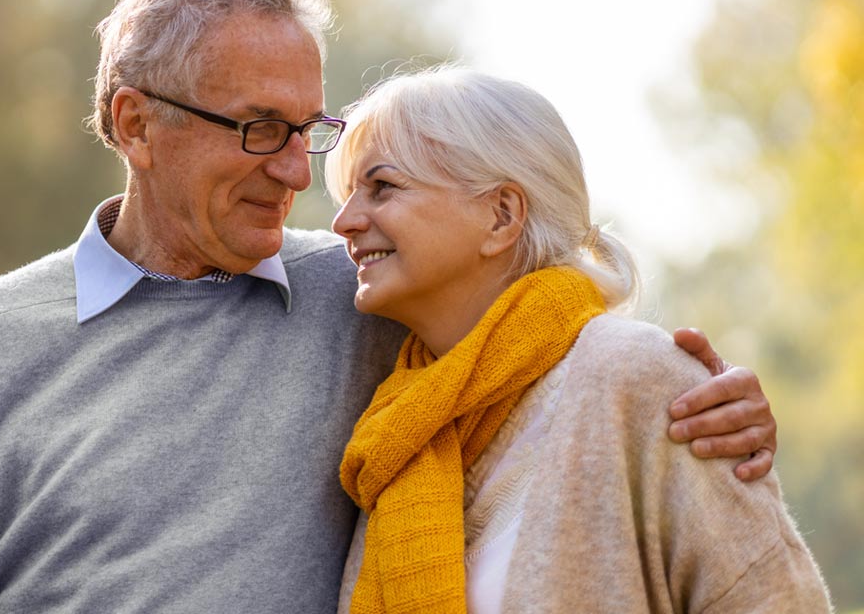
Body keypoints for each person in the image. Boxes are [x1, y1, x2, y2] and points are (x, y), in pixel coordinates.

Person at [0, 0, 780, 611]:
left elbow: (534, 328)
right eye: (260, 128)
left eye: (311, 128)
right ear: (136, 124)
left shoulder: (368, 296)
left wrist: (707, 410)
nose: (301, 173)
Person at [327, 68, 829, 613]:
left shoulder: (638, 376)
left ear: (501, 215)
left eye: (382, 187)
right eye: (351, 193)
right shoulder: (397, 424)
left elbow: (776, 600)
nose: (343, 222)